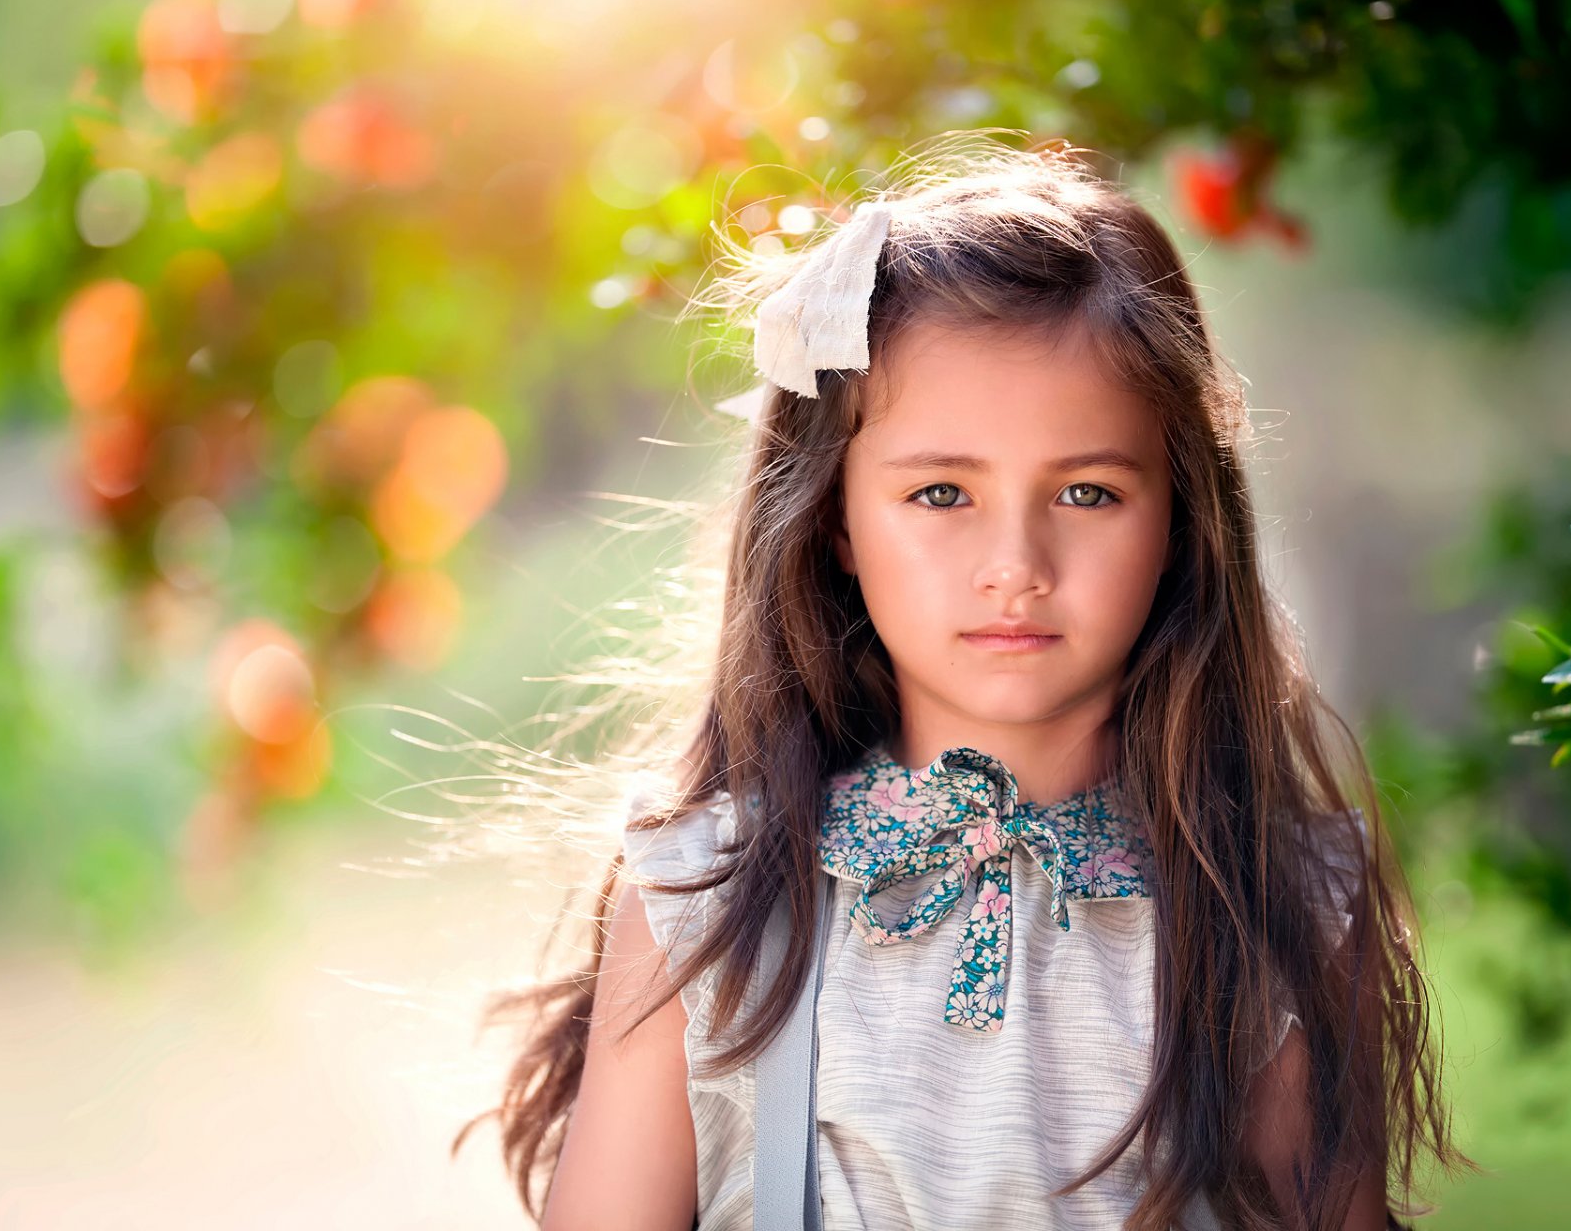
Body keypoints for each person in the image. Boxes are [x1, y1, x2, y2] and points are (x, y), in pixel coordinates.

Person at [468, 134, 1473, 1230]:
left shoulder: (1282, 901)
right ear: (835, 521)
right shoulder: (701, 895)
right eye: (942, 493)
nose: (1016, 565)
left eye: (1087, 493)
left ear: (1181, 521)